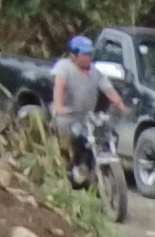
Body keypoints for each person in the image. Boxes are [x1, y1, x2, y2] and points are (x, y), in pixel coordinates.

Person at [49, 34, 127, 181]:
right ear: (74, 55)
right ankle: (70, 170)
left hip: (86, 117)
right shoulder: (64, 67)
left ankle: (90, 168)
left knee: (106, 136)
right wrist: (59, 107)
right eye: (84, 54)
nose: (88, 57)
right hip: (67, 117)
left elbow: (108, 89)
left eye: (89, 54)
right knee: (73, 139)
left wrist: (121, 106)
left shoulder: (94, 72)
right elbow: (59, 86)